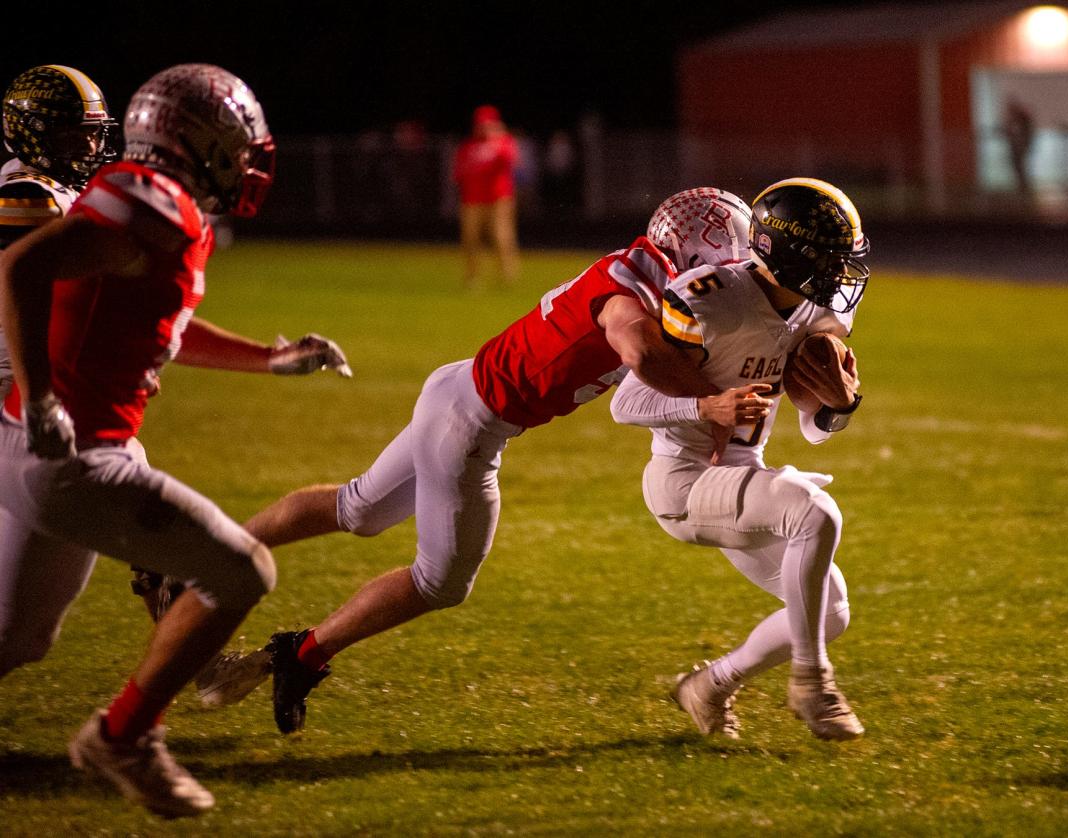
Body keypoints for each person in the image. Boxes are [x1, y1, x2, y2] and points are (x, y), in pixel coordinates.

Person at [230, 187, 753, 735]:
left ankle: (216, 549)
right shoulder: (631, 292)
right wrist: (709, 401)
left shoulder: (641, 269)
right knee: (441, 583)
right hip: (472, 425)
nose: (724, 280)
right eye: (723, 265)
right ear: (695, 253)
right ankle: (303, 653)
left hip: (456, 388)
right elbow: (640, 351)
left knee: (359, 508)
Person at [0, 63, 309, 818]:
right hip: (69, 454)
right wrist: (43, 398)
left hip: (39, 446)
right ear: (199, 141)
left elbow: (154, 321)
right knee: (242, 570)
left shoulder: (161, 207)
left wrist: (268, 359)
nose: (246, 162)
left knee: (18, 637)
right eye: (237, 145)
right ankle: (124, 736)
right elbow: (21, 265)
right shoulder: (154, 203)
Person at [610, 178, 870, 742]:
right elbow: (625, 403)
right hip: (684, 481)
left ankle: (708, 686)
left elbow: (816, 423)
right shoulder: (706, 297)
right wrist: (708, 402)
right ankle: (811, 681)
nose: (839, 273)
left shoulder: (815, 314)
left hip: (742, 475)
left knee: (830, 611)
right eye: (829, 258)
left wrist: (842, 404)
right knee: (814, 513)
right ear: (789, 250)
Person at [0, 65, 119, 402]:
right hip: (19, 387)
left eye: (94, 132)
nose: (90, 145)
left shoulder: (27, 180)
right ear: (30, 133)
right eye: (73, 134)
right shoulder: (31, 197)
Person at [452, 104, 519, 286]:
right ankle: (472, 275)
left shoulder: (503, 141)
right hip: (472, 199)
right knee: (470, 238)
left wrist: (496, 139)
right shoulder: (468, 146)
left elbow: (511, 160)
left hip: (499, 198)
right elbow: (458, 172)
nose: (483, 128)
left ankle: (507, 275)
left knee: (501, 236)